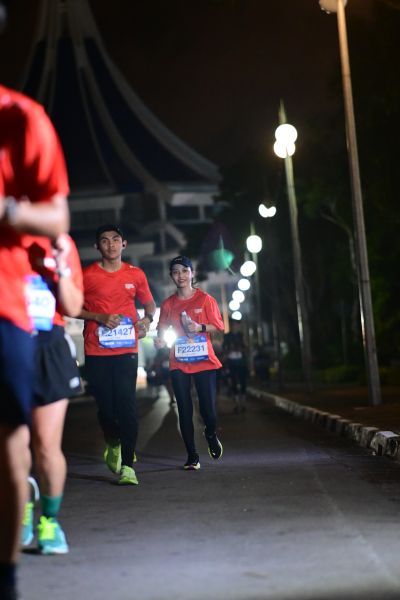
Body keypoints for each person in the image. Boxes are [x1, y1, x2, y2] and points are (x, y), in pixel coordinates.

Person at [0, 83, 69, 599]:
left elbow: (71, 302)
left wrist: (9, 212)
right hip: (21, 332)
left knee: (37, 445)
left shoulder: (21, 117)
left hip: (31, 333)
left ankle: (46, 520)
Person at [21, 233, 83, 555]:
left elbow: (72, 306)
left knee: (45, 445)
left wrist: (62, 269)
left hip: (48, 346)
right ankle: (20, 506)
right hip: (10, 342)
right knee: (13, 446)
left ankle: (50, 520)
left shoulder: (58, 241)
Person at [79, 224, 156, 486]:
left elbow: (149, 304)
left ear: (124, 244)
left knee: (127, 404)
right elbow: (70, 306)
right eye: (104, 240)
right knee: (106, 407)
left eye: (115, 239)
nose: (110, 244)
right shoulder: (87, 275)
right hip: (96, 349)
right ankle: (113, 441)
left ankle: (128, 467)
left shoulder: (136, 274)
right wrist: (98, 317)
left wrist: (147, 320)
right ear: (97, 247)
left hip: (127, 349)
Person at [157, 255, 225, 470]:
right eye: (176, 272)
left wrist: (200, 328)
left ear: (192, 273)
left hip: (204, 361)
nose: (181, 276)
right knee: (184, 409)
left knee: (208, 411)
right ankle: (192, 456)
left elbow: (219, 326)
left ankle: (210, 433)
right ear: (171, 276)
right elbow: (161, 328)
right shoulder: (168, 304)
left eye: (185, 271)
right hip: (179, 362)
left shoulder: (205, 299)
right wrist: (160, 339)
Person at [223, 319, 248, 413]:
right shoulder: (227, 336)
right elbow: (224, 348)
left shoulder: (241, 335)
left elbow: (245, 347)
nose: (235, 326)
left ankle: (243, 404)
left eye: (237, 325)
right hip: (231, 362)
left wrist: (241, 349)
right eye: (233, 325)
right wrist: (230, 350)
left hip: (241, 362)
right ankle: (237, 404)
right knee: (233, 382)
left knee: (243, 382)